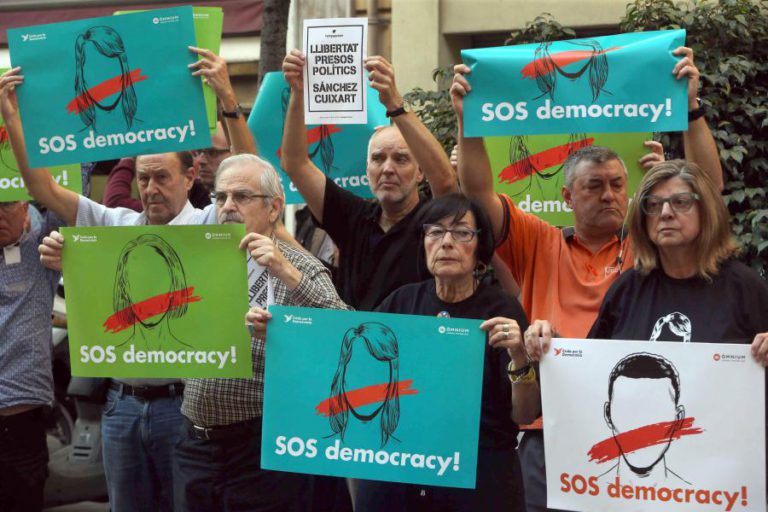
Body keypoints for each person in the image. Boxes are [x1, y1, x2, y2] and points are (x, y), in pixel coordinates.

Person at [451, 46, 724, 512]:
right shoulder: (538, 240)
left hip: (637, 426)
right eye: (594, 186)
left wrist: (692, 108)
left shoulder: (650, 245)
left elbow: (706, 192)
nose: (610, 195)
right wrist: (467, 117)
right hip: (548, 428)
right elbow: (477, 197)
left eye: (619, 184)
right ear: (567, 195)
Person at [177, 154, 349, 511]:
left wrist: (287, 272)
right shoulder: (197, 260)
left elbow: (344, 334)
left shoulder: (300, 267)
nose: (227, 207)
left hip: (260, 448)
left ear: (274, 208)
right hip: (195, 444)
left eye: (241, 197)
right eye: (220, 197)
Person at [345, 193, 539, 511]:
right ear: (423, 243)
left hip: (479, 478)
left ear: (480, 248)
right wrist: (283, 333)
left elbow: (524, 414)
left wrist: (519, 356)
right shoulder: (400, 303)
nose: (446, 242)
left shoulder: (502, 310)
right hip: (403, 471)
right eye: (435, 231)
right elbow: (353, 362)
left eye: (461, 232)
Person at [281, 50, 458, 311]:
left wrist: (395, 103)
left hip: (415, 346)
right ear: (367, 170)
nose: (387, 168)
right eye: (378, 158)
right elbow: (295, 164)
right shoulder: (353, 216)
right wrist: (298, 93)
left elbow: (444, 181)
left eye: (400, 159)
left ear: (420, 172)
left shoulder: (433, 222)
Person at [0, 200, 60, 512]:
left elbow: (70, 190)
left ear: (25, 209)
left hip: (20, 424)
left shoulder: (41, 251)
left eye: (5, 205)